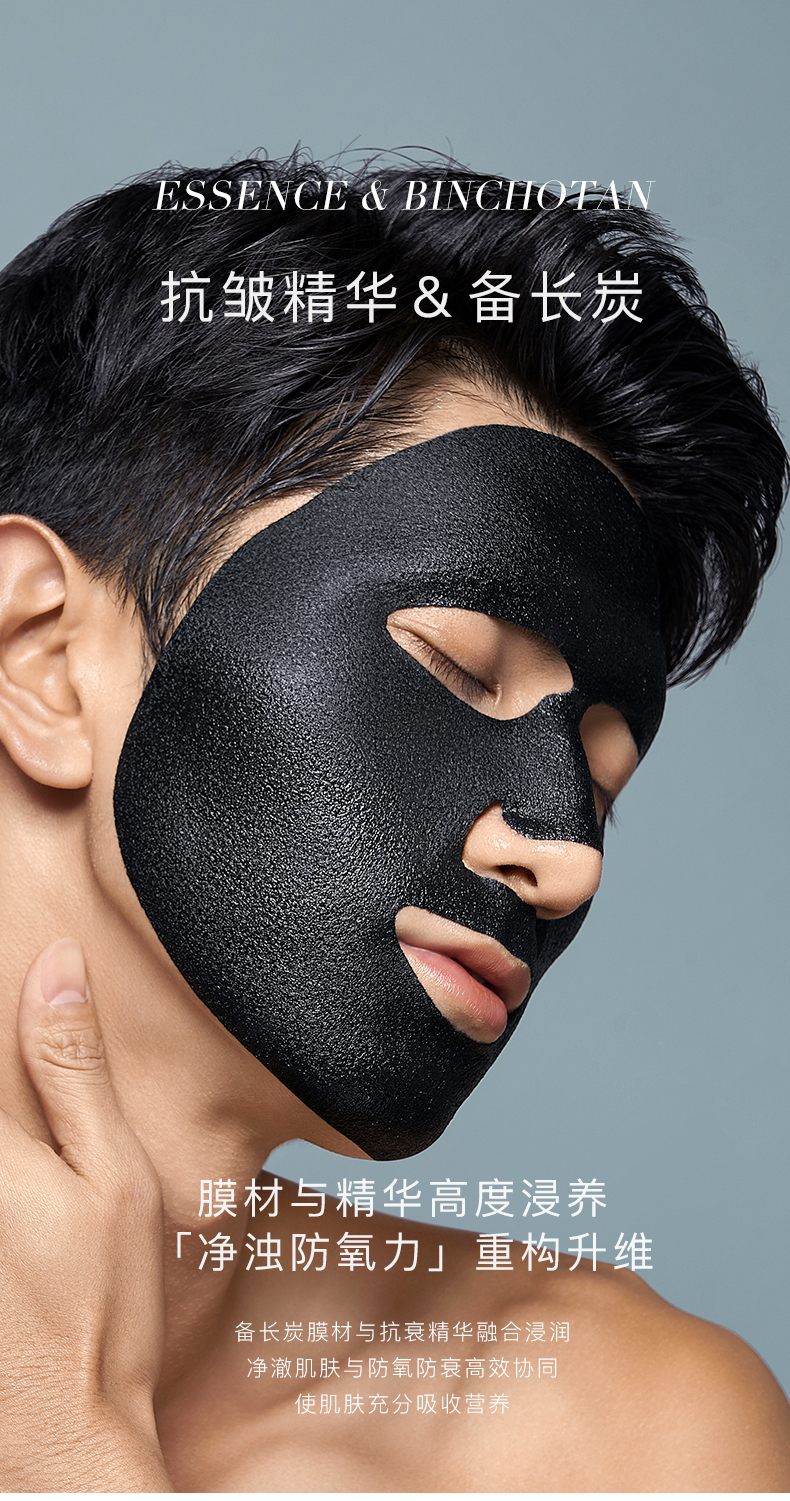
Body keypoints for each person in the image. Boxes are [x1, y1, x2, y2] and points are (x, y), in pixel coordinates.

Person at [0, 154, 788, 1493]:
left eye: (603, 782)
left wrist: (70, 1461)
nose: (566, 856)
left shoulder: (618, 1435)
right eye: (457, 673)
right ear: (40, 654)